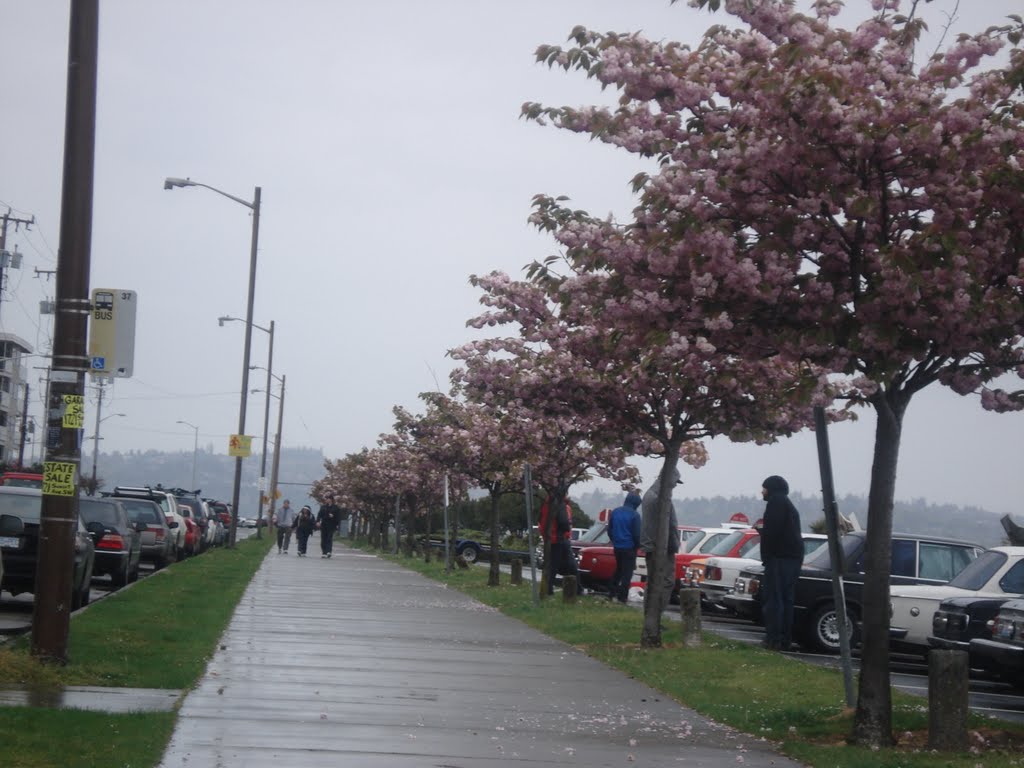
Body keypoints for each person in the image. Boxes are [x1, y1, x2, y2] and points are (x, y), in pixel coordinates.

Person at [759, 475, 804, 651]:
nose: (762, 491)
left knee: (774, 599)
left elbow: (773, 531)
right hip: (792, 558)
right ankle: (784, 637)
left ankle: (774, 638)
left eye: (764, 488)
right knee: (786, 600)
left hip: (779, 558)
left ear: (772, 489)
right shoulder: (787, 504)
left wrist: (766, 553)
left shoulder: (775, 503)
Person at [640, 465, 682, 609]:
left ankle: (650, 616)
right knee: (665, 582)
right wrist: (673, 546)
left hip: (652, 545)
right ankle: (655, 615)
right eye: (676, 482)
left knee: (653, 581)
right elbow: (668, 525)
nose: (675, 485)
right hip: (661, 547)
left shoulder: (650, 494)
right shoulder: (661, 498)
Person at [538, 497, 580, 595]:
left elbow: (540, 520)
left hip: (550, 538)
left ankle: (548, 589)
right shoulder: (562, 505)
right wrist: (567, 528)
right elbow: (564, 522)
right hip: (560, 537)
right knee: (571, 566)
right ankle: (577, 589)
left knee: (552, 566)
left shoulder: (546, 504)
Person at [608, 491, 643, 603]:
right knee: (627, 573)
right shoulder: (635, 515)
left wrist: (615, 541)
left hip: (617, 547)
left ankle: (611, 592)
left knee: (618, 569)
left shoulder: (615, 512)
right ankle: (622, 597)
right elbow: (637, 534)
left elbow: (610, 530)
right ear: (636, 503)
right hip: (629, 547)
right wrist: (637, 546)